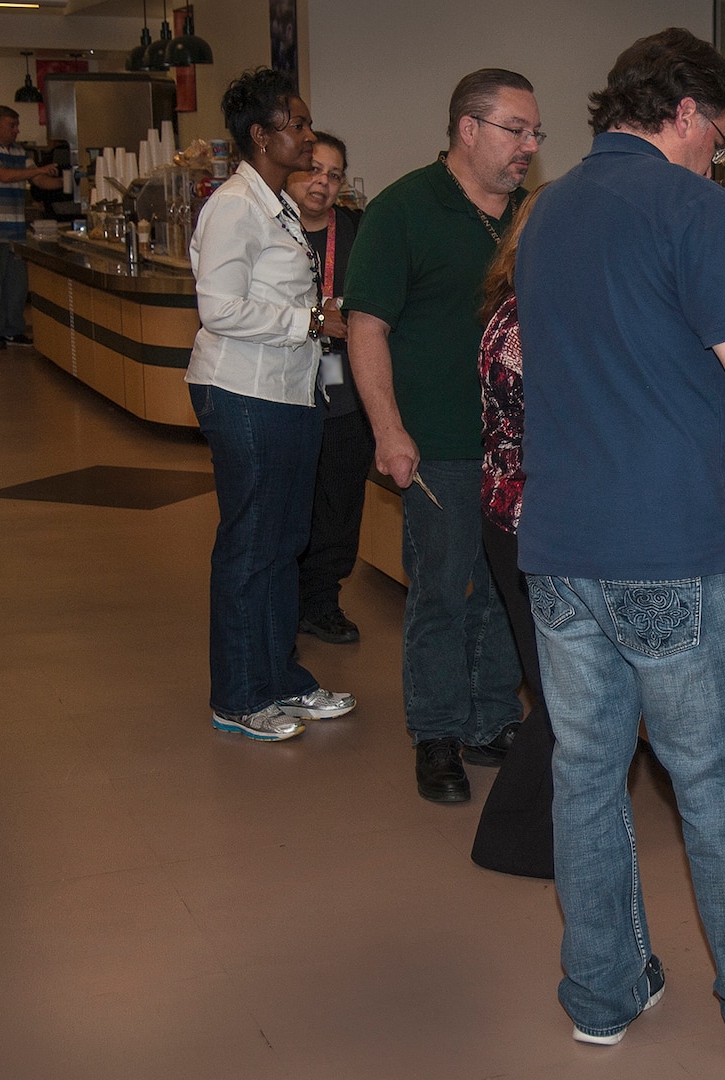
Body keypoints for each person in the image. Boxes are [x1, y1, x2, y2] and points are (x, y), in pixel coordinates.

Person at [516, 29, 725, 1065]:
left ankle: (603, 993)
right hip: (676, 556)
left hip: (564, 549)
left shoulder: (550, 210)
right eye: (718, 133)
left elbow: (612, 354)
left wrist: (693, 410)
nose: (719, 154)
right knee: (718, 790)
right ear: (689, 112)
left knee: (586, 777)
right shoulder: (689, 205)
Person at [344, 69, 536, 803]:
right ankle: (436, 735)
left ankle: (491, 719)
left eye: (534, 134)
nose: (528, 146)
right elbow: (366, 327)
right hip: (438, 442)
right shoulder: (403, 210)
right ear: (468, 129)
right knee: (440, 593)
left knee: (502, 591)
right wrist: (389, 429)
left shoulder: (527, 216)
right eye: (515, 130)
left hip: (515, 445)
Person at [188, 68, 357, 742]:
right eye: (297, 124)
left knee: (285, 544)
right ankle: (237, 695)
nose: (308, 136)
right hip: (244, 393)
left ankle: (279, 678)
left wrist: (312, 321)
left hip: (290, 392)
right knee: (251, 547)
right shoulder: (235, 205)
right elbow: (219, 309)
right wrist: (310, 324)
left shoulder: (275, 205)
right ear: (261, 136)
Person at [469, 187, 556, 879]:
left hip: (516, 517)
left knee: (561, 693)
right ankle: (513, 839)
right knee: (564, 697)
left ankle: (533, 836)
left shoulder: (520, 314)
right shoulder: (533, 327)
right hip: (532, 525)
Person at [284, 132, 373, 646]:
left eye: (333, 174)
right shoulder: (272, 228)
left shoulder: (359, 231)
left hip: (343, 386)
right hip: (284, 385)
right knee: (293, 497)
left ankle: (322, 600)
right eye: (313, 169)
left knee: (340, 498)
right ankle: (285, 599)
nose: (321, 182)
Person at [0, 105, 61, 350]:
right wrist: (39, 169)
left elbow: (39, 180)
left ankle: (14, 330)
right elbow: (4, 175)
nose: (17, 130)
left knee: (17, 286)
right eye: (13, 125)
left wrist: (70, 181)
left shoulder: (20, 153)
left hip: (15, 232)